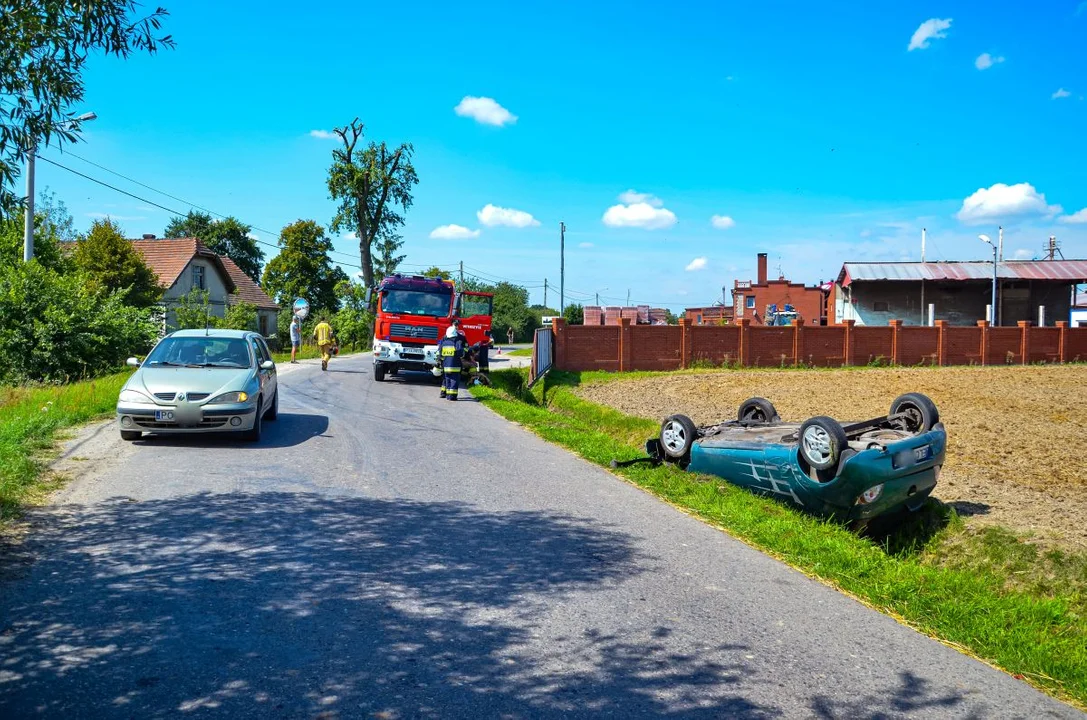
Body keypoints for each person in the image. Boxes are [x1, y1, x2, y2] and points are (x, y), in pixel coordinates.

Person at [437, 326, 464, 400]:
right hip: (455, 366)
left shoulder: (444, 343)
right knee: (454, 381)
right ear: (455, 334)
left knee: (447, 380)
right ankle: (452, 396)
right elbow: (460, 354)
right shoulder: (457, 342)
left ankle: (448, 395)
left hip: (446, 366)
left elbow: (441, 356)